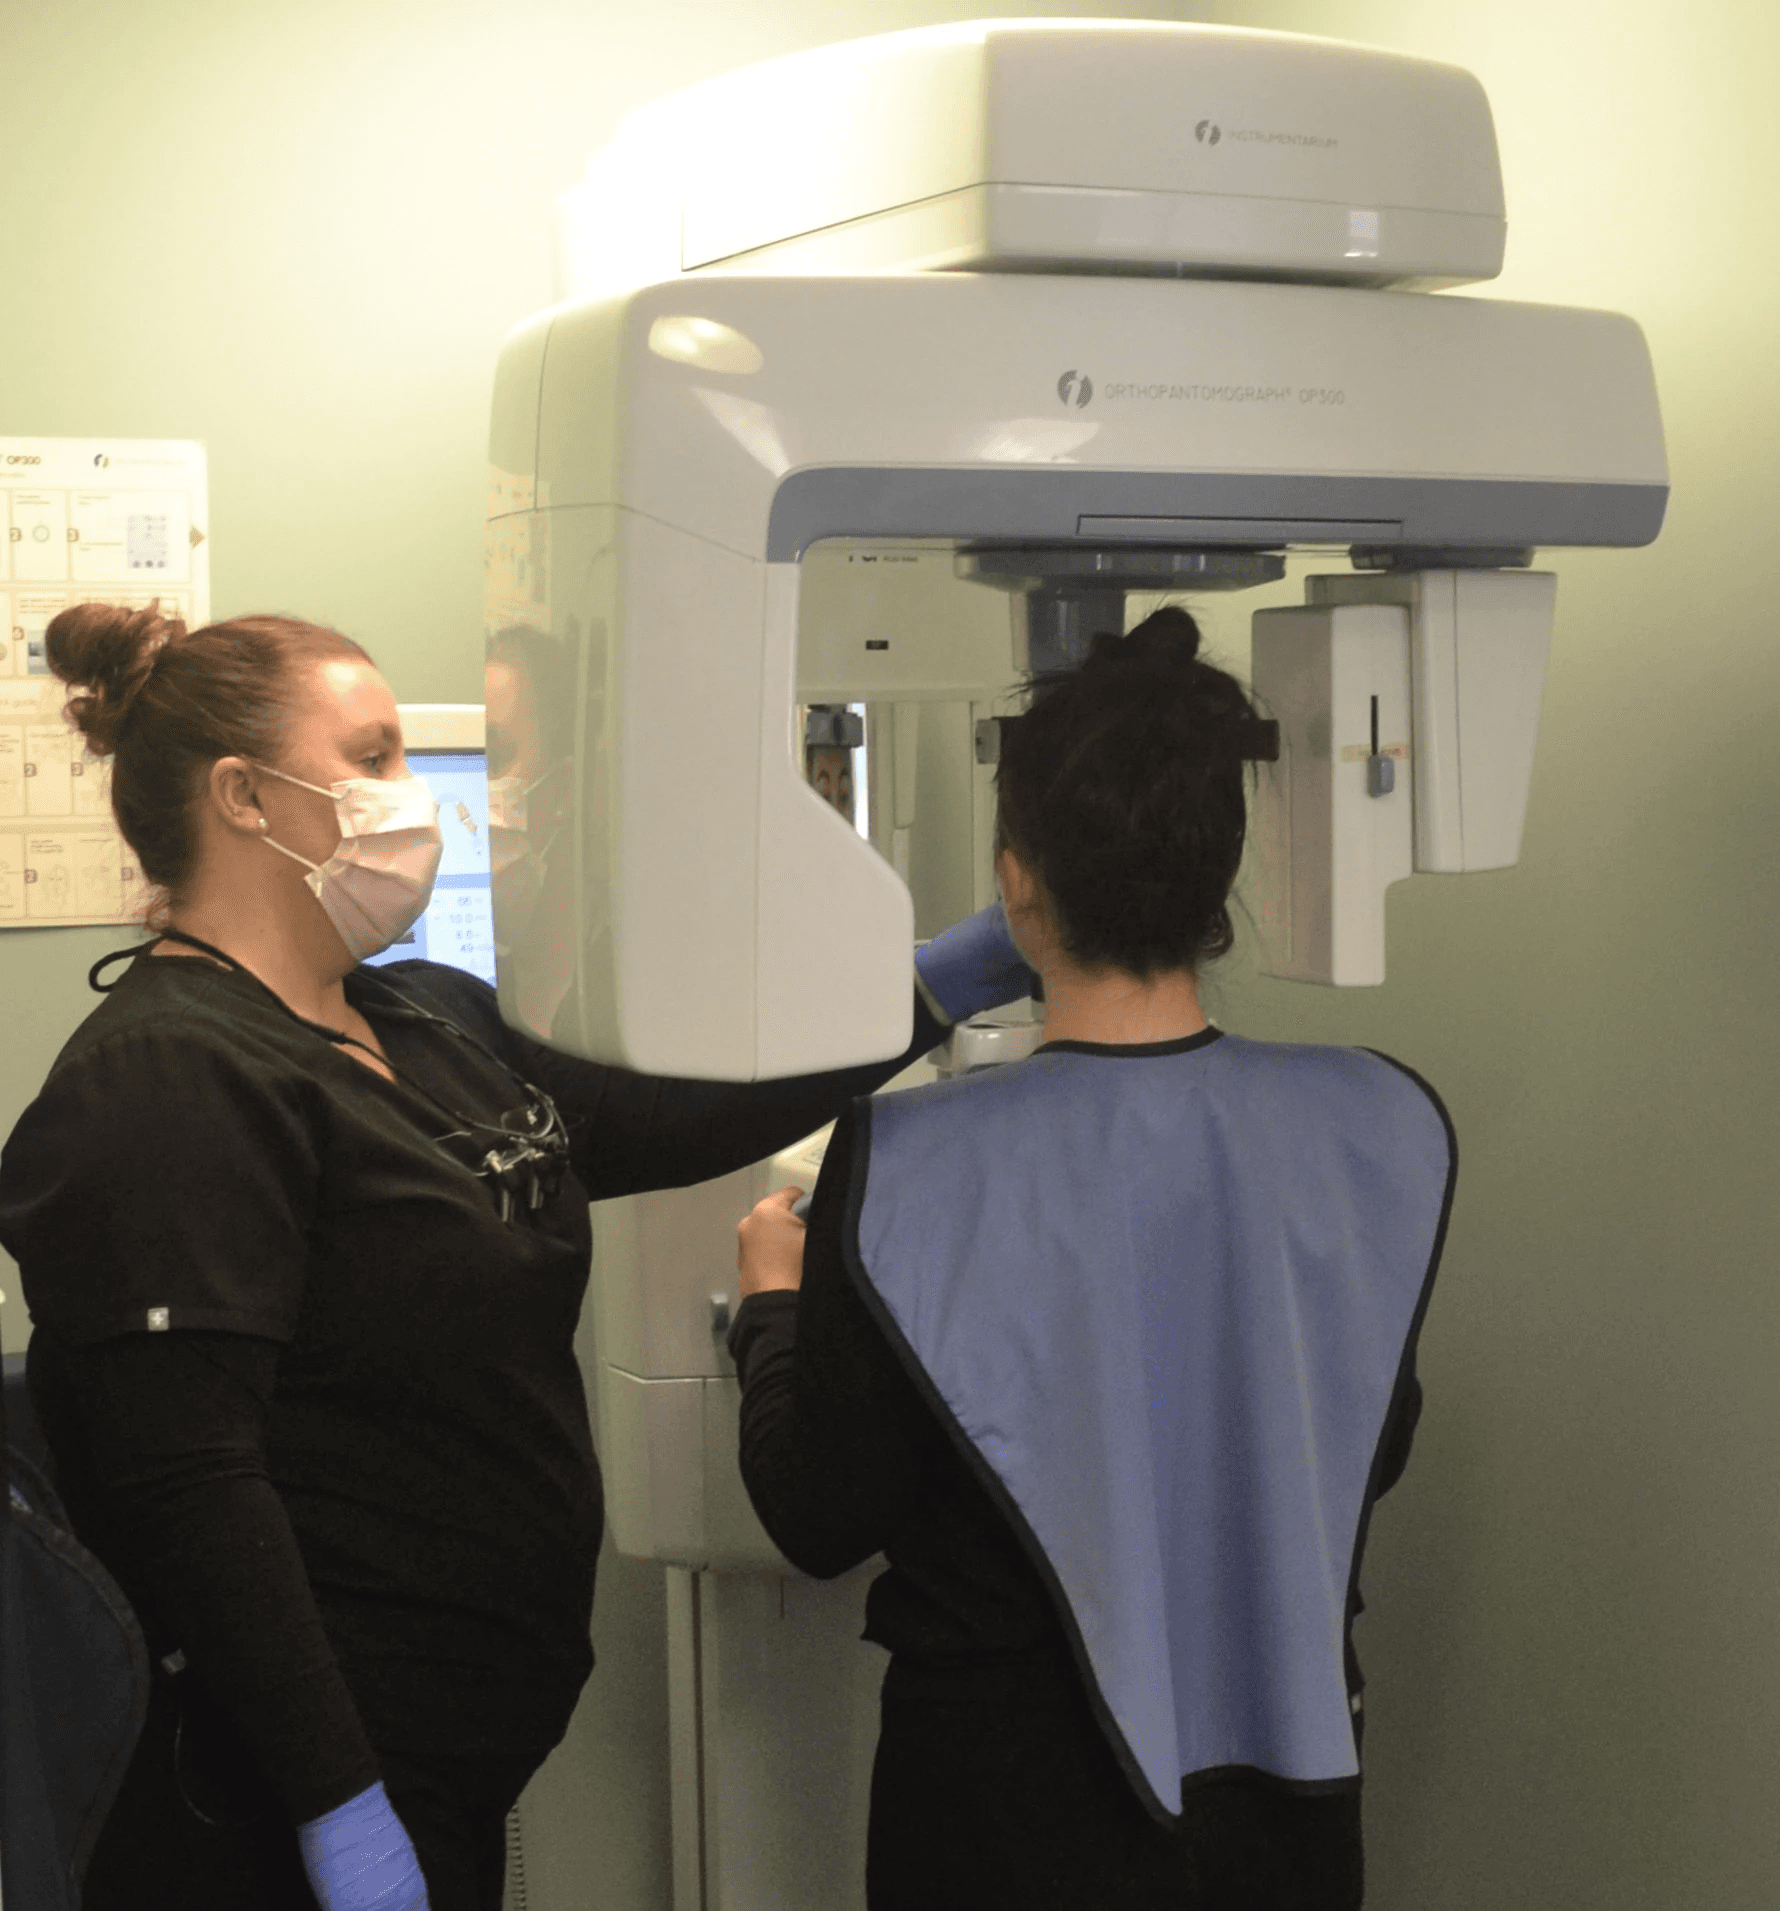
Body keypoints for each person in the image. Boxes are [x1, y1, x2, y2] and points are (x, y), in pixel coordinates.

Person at [0, 600, 1030, 1911]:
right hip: (280, 1804)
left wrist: (937, 984)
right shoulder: (165, 1079)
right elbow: (193, 1496)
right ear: (244, 796)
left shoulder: (417, 1016)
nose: (411, 793)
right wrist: (338, 1808)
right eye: (371, 756)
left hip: (448, 1758)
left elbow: (657, 1116)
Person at [730, 606, 1457, 1911]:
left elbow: (819, 1515)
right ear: (1220, 872)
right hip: (1276, 1820)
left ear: (1016, 882)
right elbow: (1369, 1446)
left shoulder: (906, 1164)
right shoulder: (1377, 1123)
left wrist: (771, 1310)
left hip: (999, 1816)